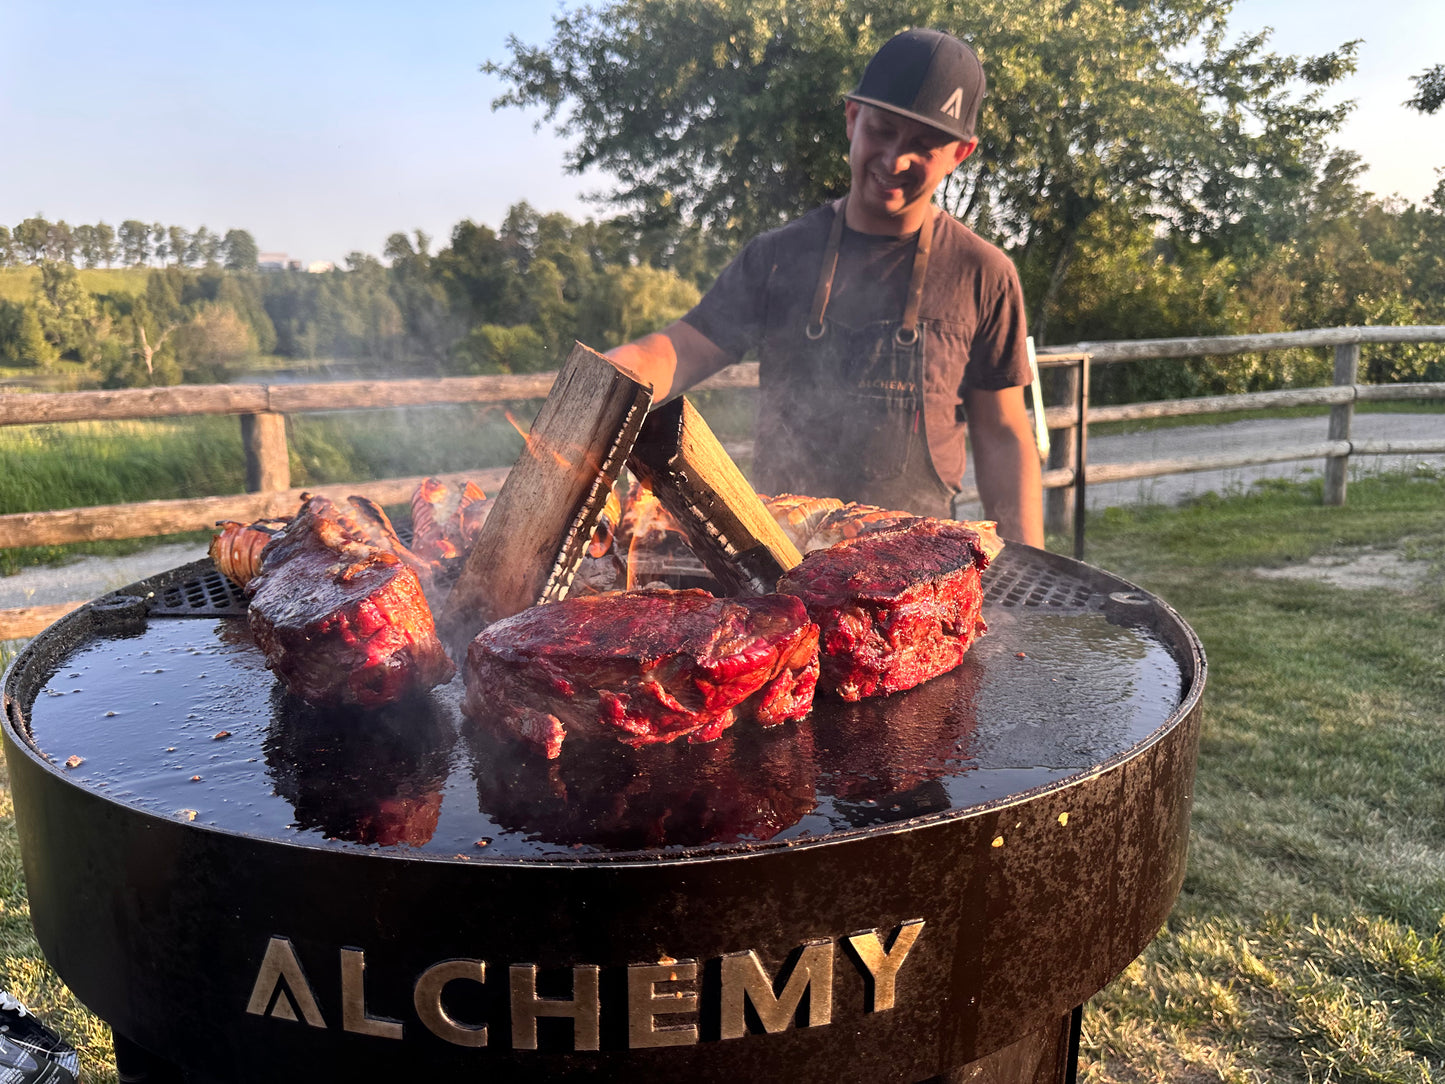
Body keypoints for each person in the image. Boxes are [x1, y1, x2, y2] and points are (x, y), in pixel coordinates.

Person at [609, 28, 1044, 546]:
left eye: (923, 146)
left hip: (917, 581)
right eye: (882, 130)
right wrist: (601, 383)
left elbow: (1002, 433)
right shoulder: (778, 256)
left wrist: (1021, 565)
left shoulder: (984, 274)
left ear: (961, 154)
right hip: (777, 566)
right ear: (853, 117)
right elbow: (684, 348)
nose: (895, 160)